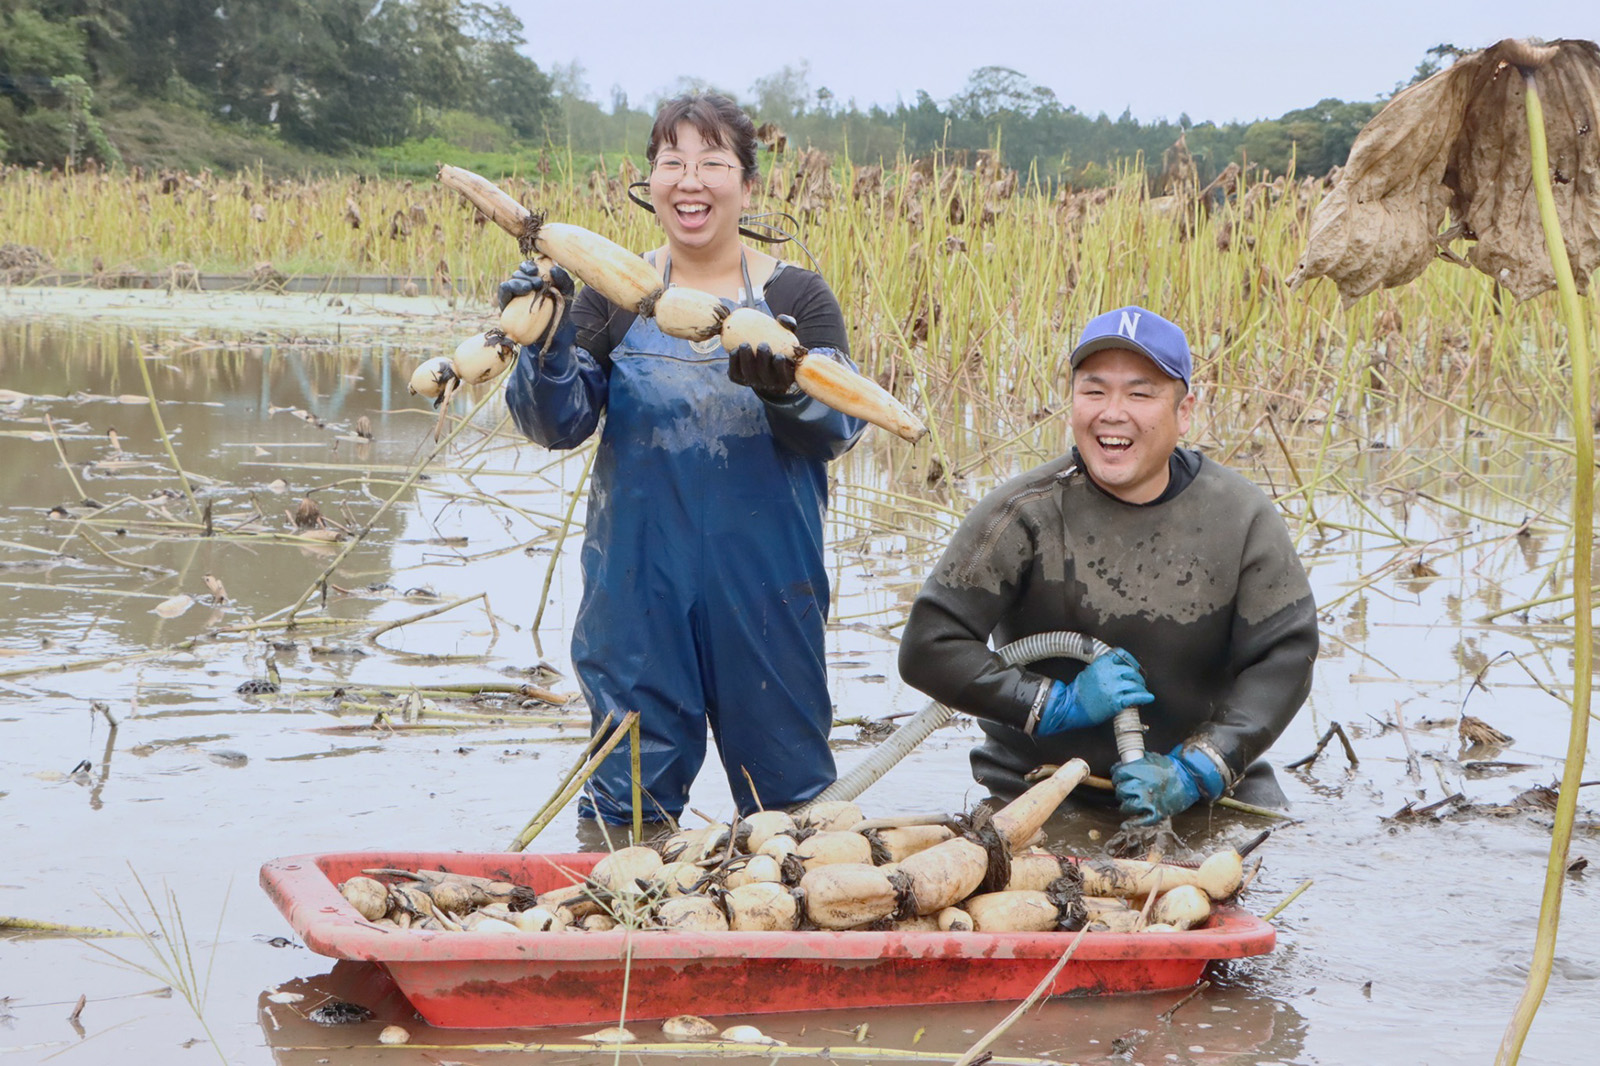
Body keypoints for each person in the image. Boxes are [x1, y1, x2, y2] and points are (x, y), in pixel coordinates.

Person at [498, 92, 865, 828]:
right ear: (651, 181)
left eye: (712, 163)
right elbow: (559, 425)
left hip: (768, 592)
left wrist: (788, 390)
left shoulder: (797, 296)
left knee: (790, 818)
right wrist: (543, 346)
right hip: (636, 592)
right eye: (673, 162)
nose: (690, 180)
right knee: (624, 810)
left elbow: (839, 428)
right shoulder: (614, 294)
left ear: (748, 185)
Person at [898, 306, 1318, 826]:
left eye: (1140, 394)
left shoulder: (1241, 516)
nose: (1112, 412)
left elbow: (1286, 656)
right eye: (1094, 391)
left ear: (1184, 411)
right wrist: (1050, 703)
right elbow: (928, 648)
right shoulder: (1023, 513)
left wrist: (1201, 768)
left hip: (1208, 792)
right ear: (1072, 402)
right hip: (1040, 793)